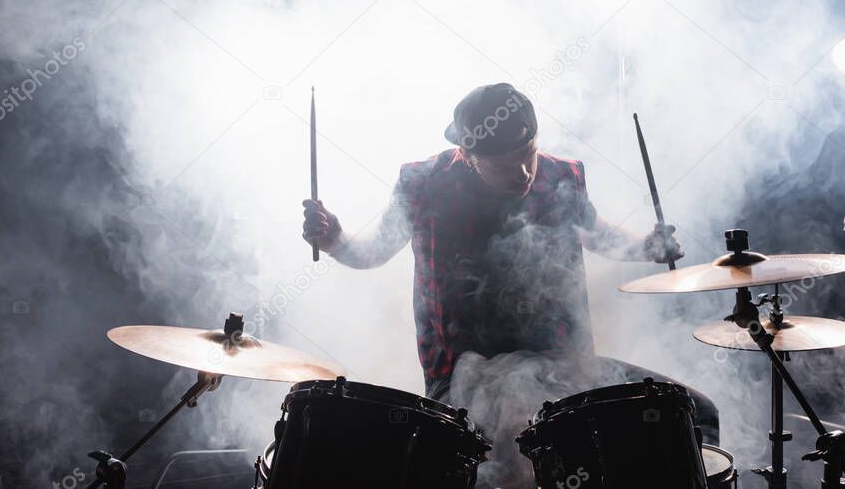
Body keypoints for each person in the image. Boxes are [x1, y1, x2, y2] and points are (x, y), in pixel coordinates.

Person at [302, 83, 719, 479]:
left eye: (529, 154)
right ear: (467, 156)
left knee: (695, 415)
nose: (522, 172)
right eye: (503, 166)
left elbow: (597, 233)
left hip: (566, 367)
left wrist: (648, 246)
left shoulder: (562, 175)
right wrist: (334, 238)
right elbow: (372, 252)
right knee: (514, 460)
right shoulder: (422, 184)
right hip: (463, 380)